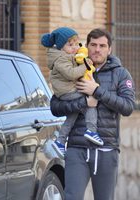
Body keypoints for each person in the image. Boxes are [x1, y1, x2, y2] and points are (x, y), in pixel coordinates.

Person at [50, 28, 135, 200]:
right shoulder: (72, 68)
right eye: (93, 45)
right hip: (76, 148)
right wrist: (83, 103)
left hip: (106, 148)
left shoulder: (120, 74)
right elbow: (55, 107)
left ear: (109, 49)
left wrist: (97, 91)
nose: (97, 49)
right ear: (86, 46)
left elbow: (127, 107)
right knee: (71, 197)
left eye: (102, 46)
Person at [41, 27, 103, 156]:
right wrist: (85, 65)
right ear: (60, 46)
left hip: (68, 90)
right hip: (67, 92)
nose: (75, 47)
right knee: (90, 100)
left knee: (72, 115)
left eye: (76, 43)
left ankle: (60, 141)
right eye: (70, 45)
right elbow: (71, 74)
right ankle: (91, 130)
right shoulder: (61, 59)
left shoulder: (66, 56)